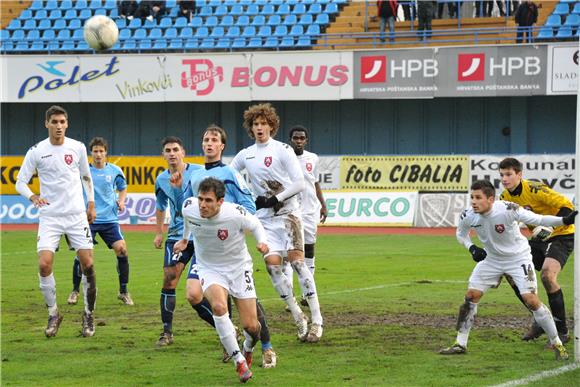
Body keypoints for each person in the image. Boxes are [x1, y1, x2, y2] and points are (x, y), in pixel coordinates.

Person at [440, 180, 575, 359]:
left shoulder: (508, 209)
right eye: (471, 197)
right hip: (492, 260)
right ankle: (460, 343)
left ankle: (558, 344)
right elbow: (461, 234)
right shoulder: (469, 215)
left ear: (490, 199)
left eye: (478, 198)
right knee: (471, 296)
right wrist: (471, 248)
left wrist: (563, 220)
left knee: (532, 301)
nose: (473, 201)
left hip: (518, 259)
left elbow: (539, 219)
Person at [180, 125, 277, 368]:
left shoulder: (231, 173)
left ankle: (264, 345)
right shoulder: (194, 174)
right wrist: (185, 238)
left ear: (222, 146)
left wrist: (235, 224)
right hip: (203, 245)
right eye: (206, 139)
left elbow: (248, 205)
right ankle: (230, 340)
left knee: (248, 309)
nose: (209, 143)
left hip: (229, 244)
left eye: (214, 140)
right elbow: (189, 211)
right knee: (195, 295)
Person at [230, 103, 324, 343]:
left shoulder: (283, 149)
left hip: (289, 215)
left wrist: (275, 198)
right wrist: (249, 198)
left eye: (263, 123)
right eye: (255, 124)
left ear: (272, 125)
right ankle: (298, 317)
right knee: (272, 266)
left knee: (298, 265)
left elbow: (300, 183)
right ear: (250, 128)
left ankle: (317, 321)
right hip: (265, 220)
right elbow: (230, 177)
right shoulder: (245, 154)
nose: (260, 128)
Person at [174, 177, 268, 383]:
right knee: (218, 306)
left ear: (220, 201)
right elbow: (188, 221)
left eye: (208, 200)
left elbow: (256, 225)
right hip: (209, 268)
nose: (202, 205)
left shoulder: (235, 213)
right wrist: (184, 239)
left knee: (252, 327)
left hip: (238, 267)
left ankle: (248, 347)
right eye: (200, 199)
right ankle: (239, 361)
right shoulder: (189, 206)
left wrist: (262, 242)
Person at [15, 105, 97, 338]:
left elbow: (85, 176)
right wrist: (32, 196)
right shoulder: (37, 151)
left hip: (76, 214)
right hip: (50, 216)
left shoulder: (78, 147)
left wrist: (91, 203)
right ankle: (53, 314)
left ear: (67, 124)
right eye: (55, 122)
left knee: (88, 265)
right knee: (44, 264)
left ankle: (88, 314)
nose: (59, 126)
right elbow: (20, 181)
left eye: (62, 122)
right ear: (47, 124)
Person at [498, 157, 575, 344]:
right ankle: (540, 319)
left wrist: (551, 226)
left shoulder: (534, 189)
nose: (505, 179)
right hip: (538, 240)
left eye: (508, 174)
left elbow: (567, 207)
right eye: (501, 175)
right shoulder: (504, 198)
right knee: (511, 272)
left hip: (562, 235)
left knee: (548, 276)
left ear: (519, 174)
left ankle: (561, 330)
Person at [154, 136, 208, 346]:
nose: (172, 153)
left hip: (202, 235)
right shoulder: (161, 180)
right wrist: (159, 232)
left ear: (183, 152)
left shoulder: (199, 172)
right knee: (169, 278)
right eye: (168, 150)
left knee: (209, 287)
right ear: (163, 155)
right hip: (177, 235)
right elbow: (161, 206)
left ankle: (226, 327)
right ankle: (167, 332)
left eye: (175, 149)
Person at [67, 137, 133, 307]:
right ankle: (75, 291)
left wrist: (122, 200)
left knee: (122, 249)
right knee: (83, 256)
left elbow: (122, 187)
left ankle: (123, 291)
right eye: (95, 151)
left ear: (106, 153)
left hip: (110, 219)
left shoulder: (114, 170)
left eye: (101, 151)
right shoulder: (83, 172)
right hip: (88, 218)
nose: (98, 154)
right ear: (91, 153)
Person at [283, 125, 328, 307]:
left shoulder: (313, 158)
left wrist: (323, 205)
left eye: (302, 138)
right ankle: (289, 296)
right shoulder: (285, 159)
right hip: (292, 210)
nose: (299, 141)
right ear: (290, 139)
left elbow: (315, 182)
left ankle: (307, 293)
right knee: (289, 253)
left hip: (310, 211)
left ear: (306, 140)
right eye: (296, 138)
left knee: (309, 250)